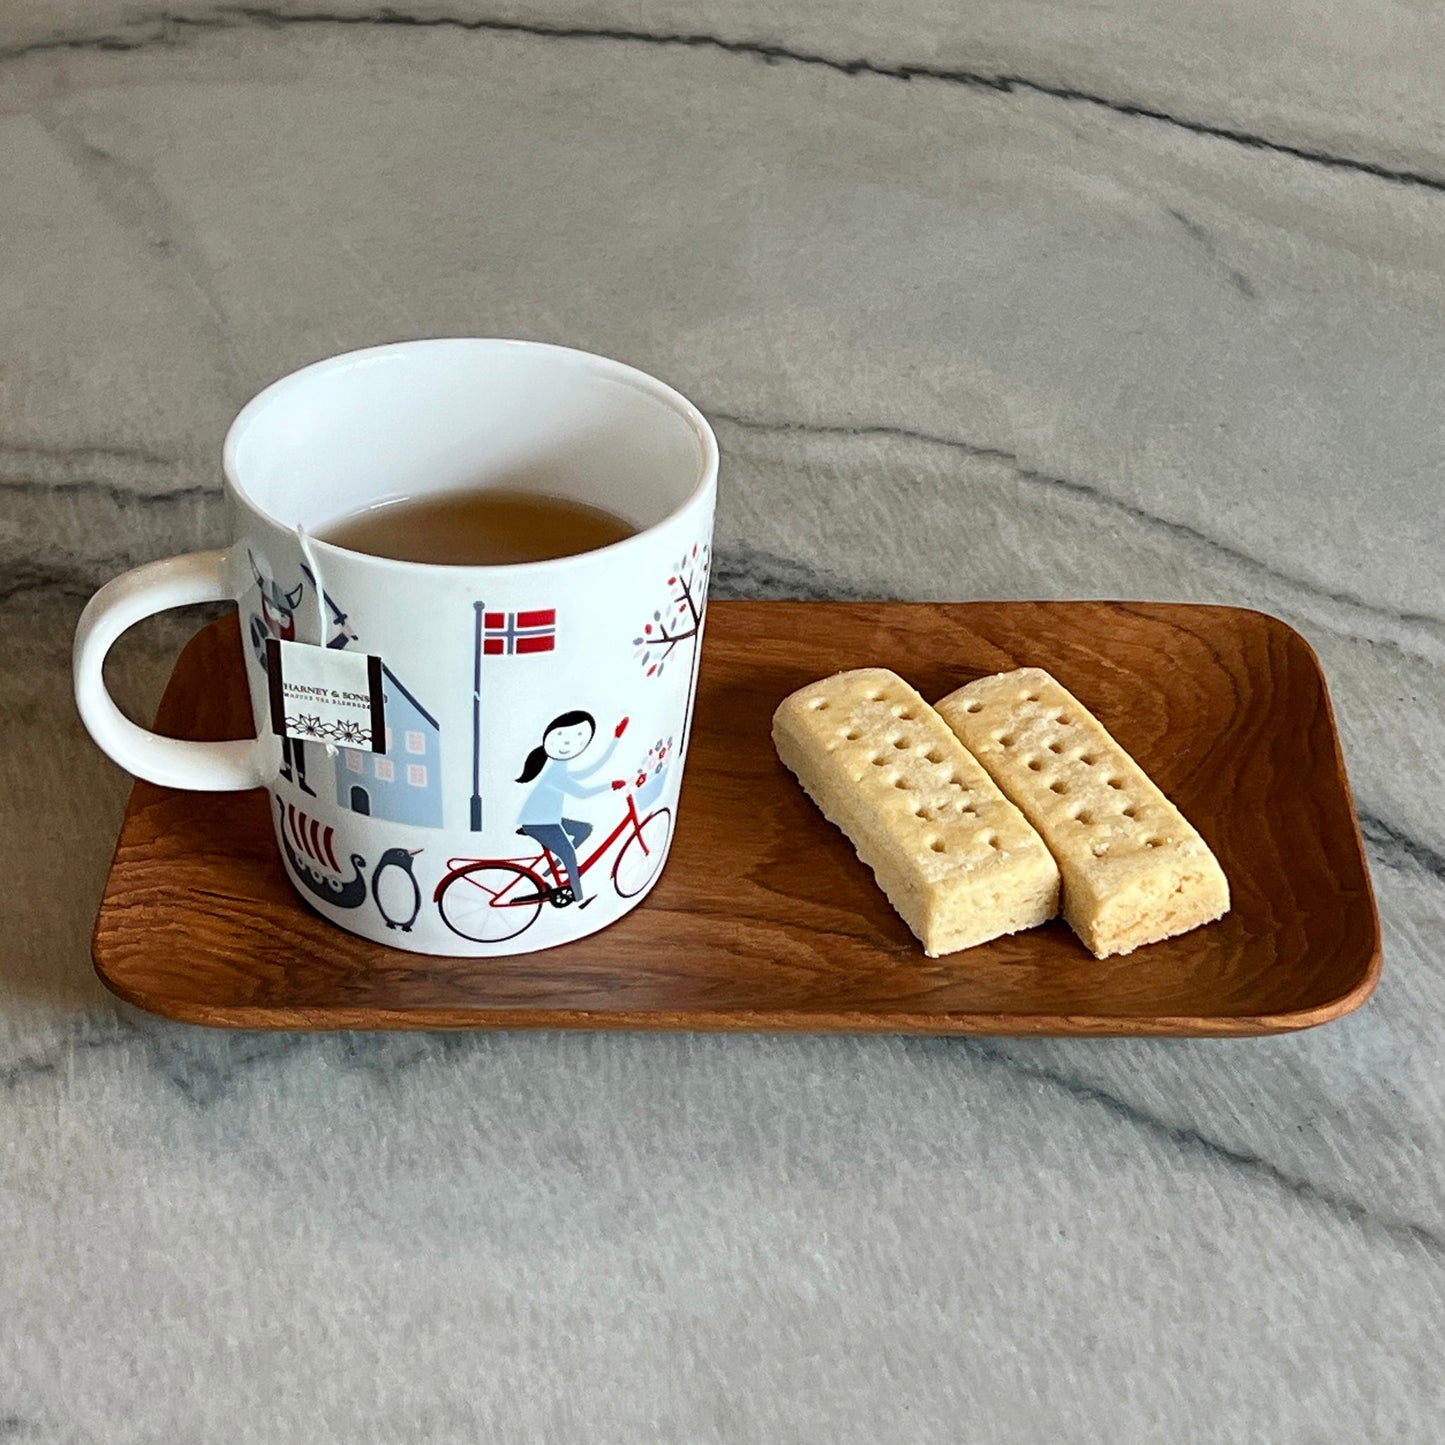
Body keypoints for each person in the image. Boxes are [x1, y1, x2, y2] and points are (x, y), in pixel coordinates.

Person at [516, 710, 625, 906]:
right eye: (560, 735)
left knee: (584, 830)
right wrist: (609, 786)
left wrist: (615, 741)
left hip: (549, 818)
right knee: (569, 854)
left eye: (580, 738)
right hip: (540, 822)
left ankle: (555, 869)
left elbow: (588, 771)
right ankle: (578, 896)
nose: (568, 743)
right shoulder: (556, 772)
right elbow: (582, 793)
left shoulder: (559, 765)